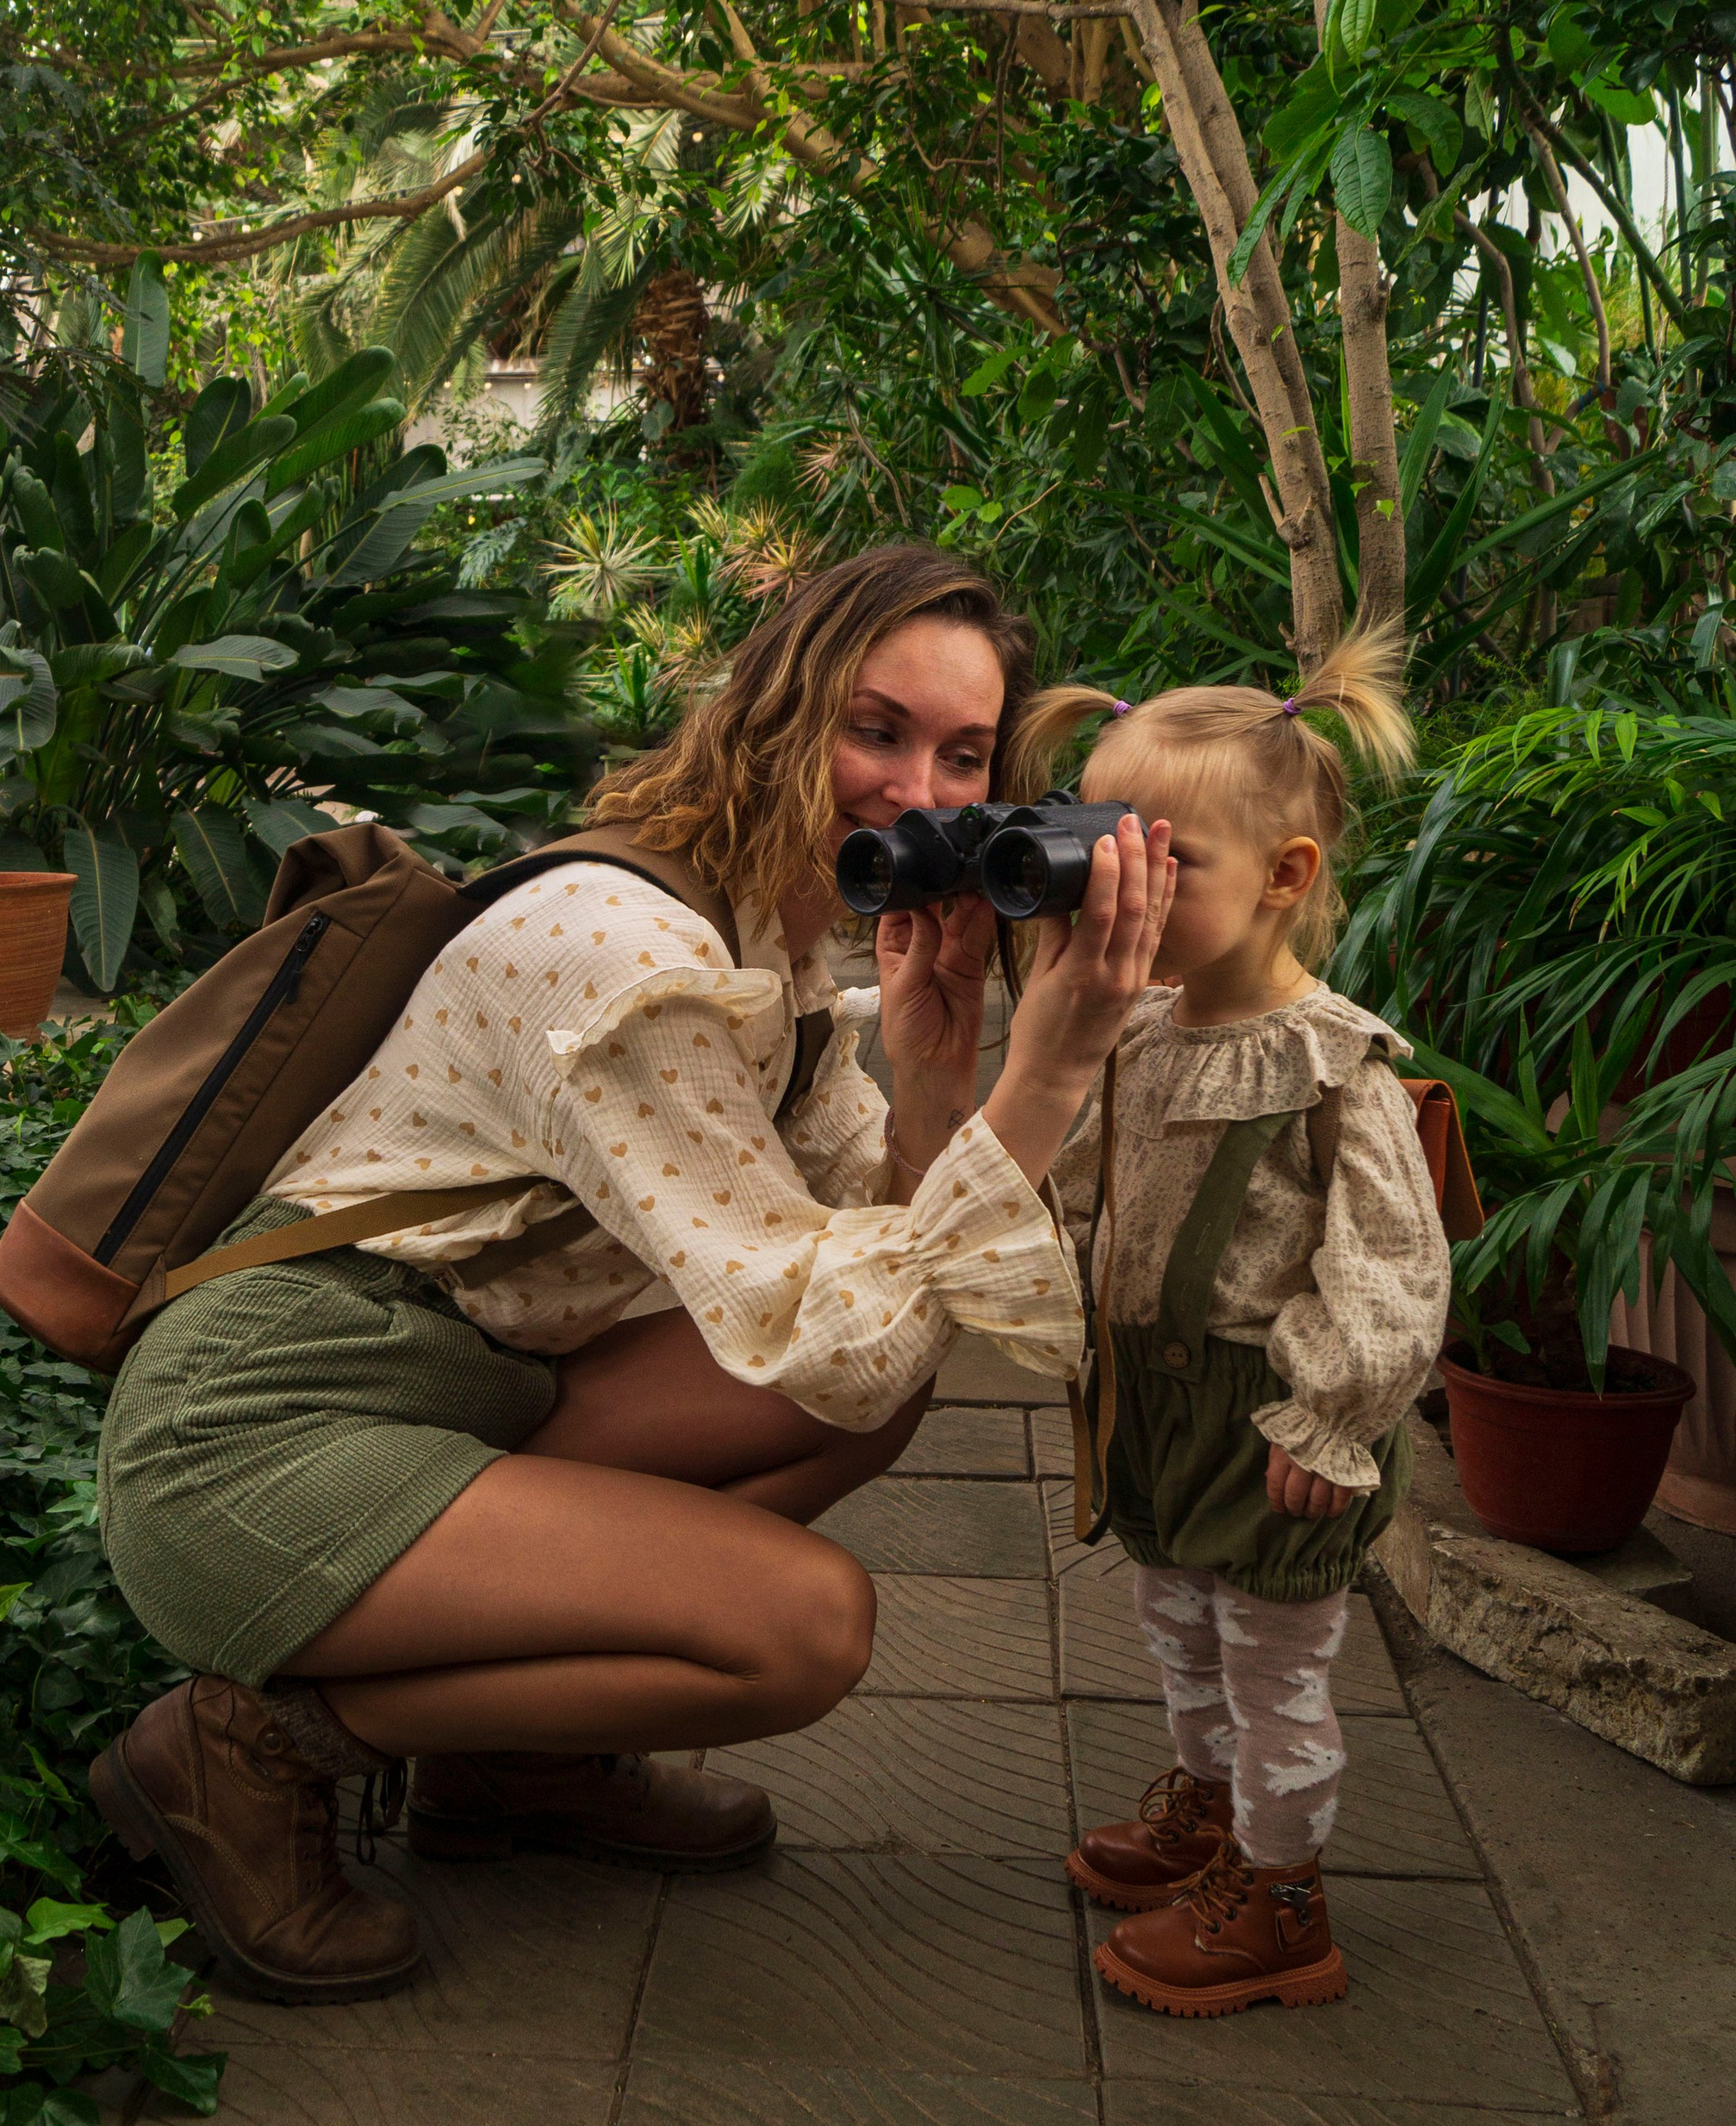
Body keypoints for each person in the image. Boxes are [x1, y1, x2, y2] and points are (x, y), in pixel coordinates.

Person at [87, 546, 1175, 2001]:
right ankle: (247, 1747)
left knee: (875, 1395)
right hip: (253, 1435)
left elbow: (869, 1296)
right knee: (801, 1629)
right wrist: (1044, 1075)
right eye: (878, 730)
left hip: (451, 1383)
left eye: (965, 755)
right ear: (777, 712)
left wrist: (934, 1068)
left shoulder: (764, 935)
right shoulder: (626, 956)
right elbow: (838, 1327)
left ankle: (511, 1768)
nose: (923, 795)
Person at [1017, 624, 1449, 2017]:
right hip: (1156, 1399)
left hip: (1269, 1416)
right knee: (1178, 1627)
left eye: (1166, 862)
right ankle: (1210, 1814)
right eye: (1101, 849)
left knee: (1277, 1667)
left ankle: (1283, 1901)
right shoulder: (1142, 1029)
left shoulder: (1337, 1067)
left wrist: (1332, 1414)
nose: (1117, 890)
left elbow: (1393, 1259)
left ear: (1287, 876)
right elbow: (1089, 1193)